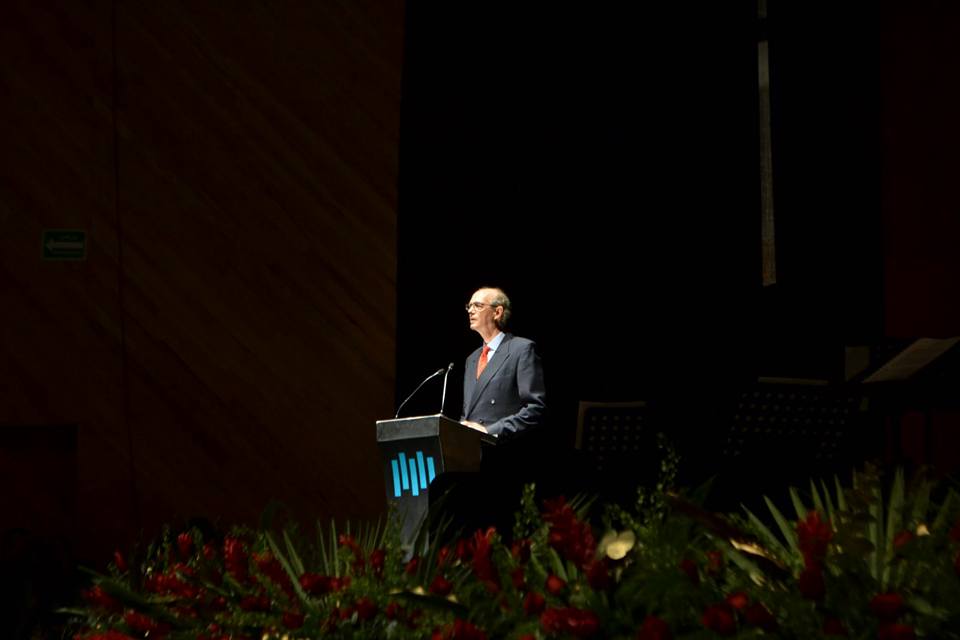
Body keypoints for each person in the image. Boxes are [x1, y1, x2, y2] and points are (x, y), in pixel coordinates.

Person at [460, 287, 546, 436]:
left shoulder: (521, 349)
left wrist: (489, 431)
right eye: (469, 306)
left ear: (497, 312)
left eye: (478, 306)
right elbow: (468, 412)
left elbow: (535, 408)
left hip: (501, 446)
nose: (470, 310)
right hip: (470, 450)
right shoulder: (472, 359)